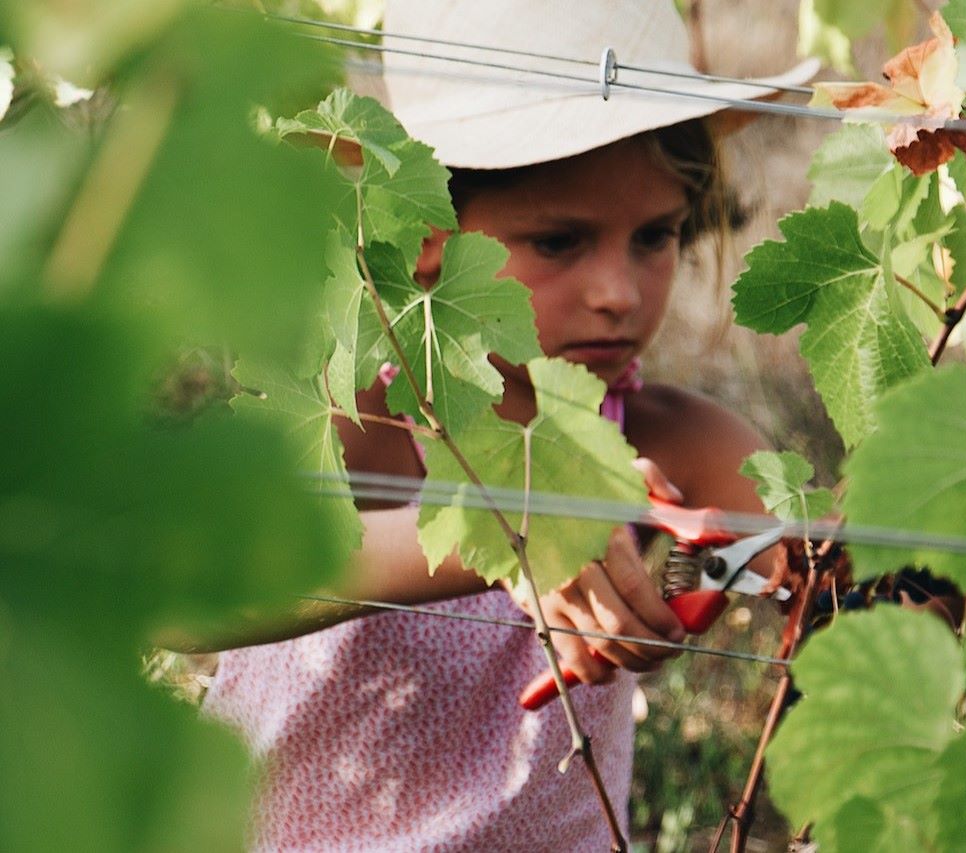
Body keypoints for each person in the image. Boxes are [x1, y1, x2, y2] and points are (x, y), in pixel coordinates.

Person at [199, 2, 815, 849]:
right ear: (426, 239)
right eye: (561, 241)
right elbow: (182, 595)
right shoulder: (344, 421)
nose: (619, 292)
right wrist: (509, 526)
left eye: (654, 236)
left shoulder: (682, 448)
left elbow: (794, 563)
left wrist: (738, 574)